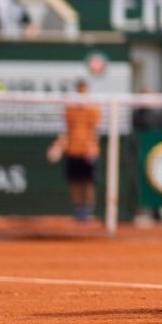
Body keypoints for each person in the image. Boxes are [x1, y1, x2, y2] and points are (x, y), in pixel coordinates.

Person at [46, 79, 100, 223]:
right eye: (79, 90)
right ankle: (78, 212)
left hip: (89, 152)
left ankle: (88, 212)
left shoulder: (93, 109)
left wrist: (91, 149)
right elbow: (67, 132)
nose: (82, 93)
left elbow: (95, 131)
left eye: (84, 90)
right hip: (73, 151)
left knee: (88, 183)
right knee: (75, 182)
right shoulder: (70, 110)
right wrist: (59, 146)